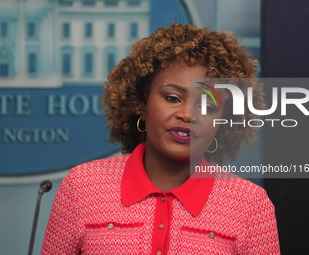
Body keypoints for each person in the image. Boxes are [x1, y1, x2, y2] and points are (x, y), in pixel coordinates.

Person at [41, 22, 280, 254]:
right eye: (173, 98)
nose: (187, 115)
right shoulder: (82, 187)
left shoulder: (250, 205)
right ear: (141, 103)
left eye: (207, 106)